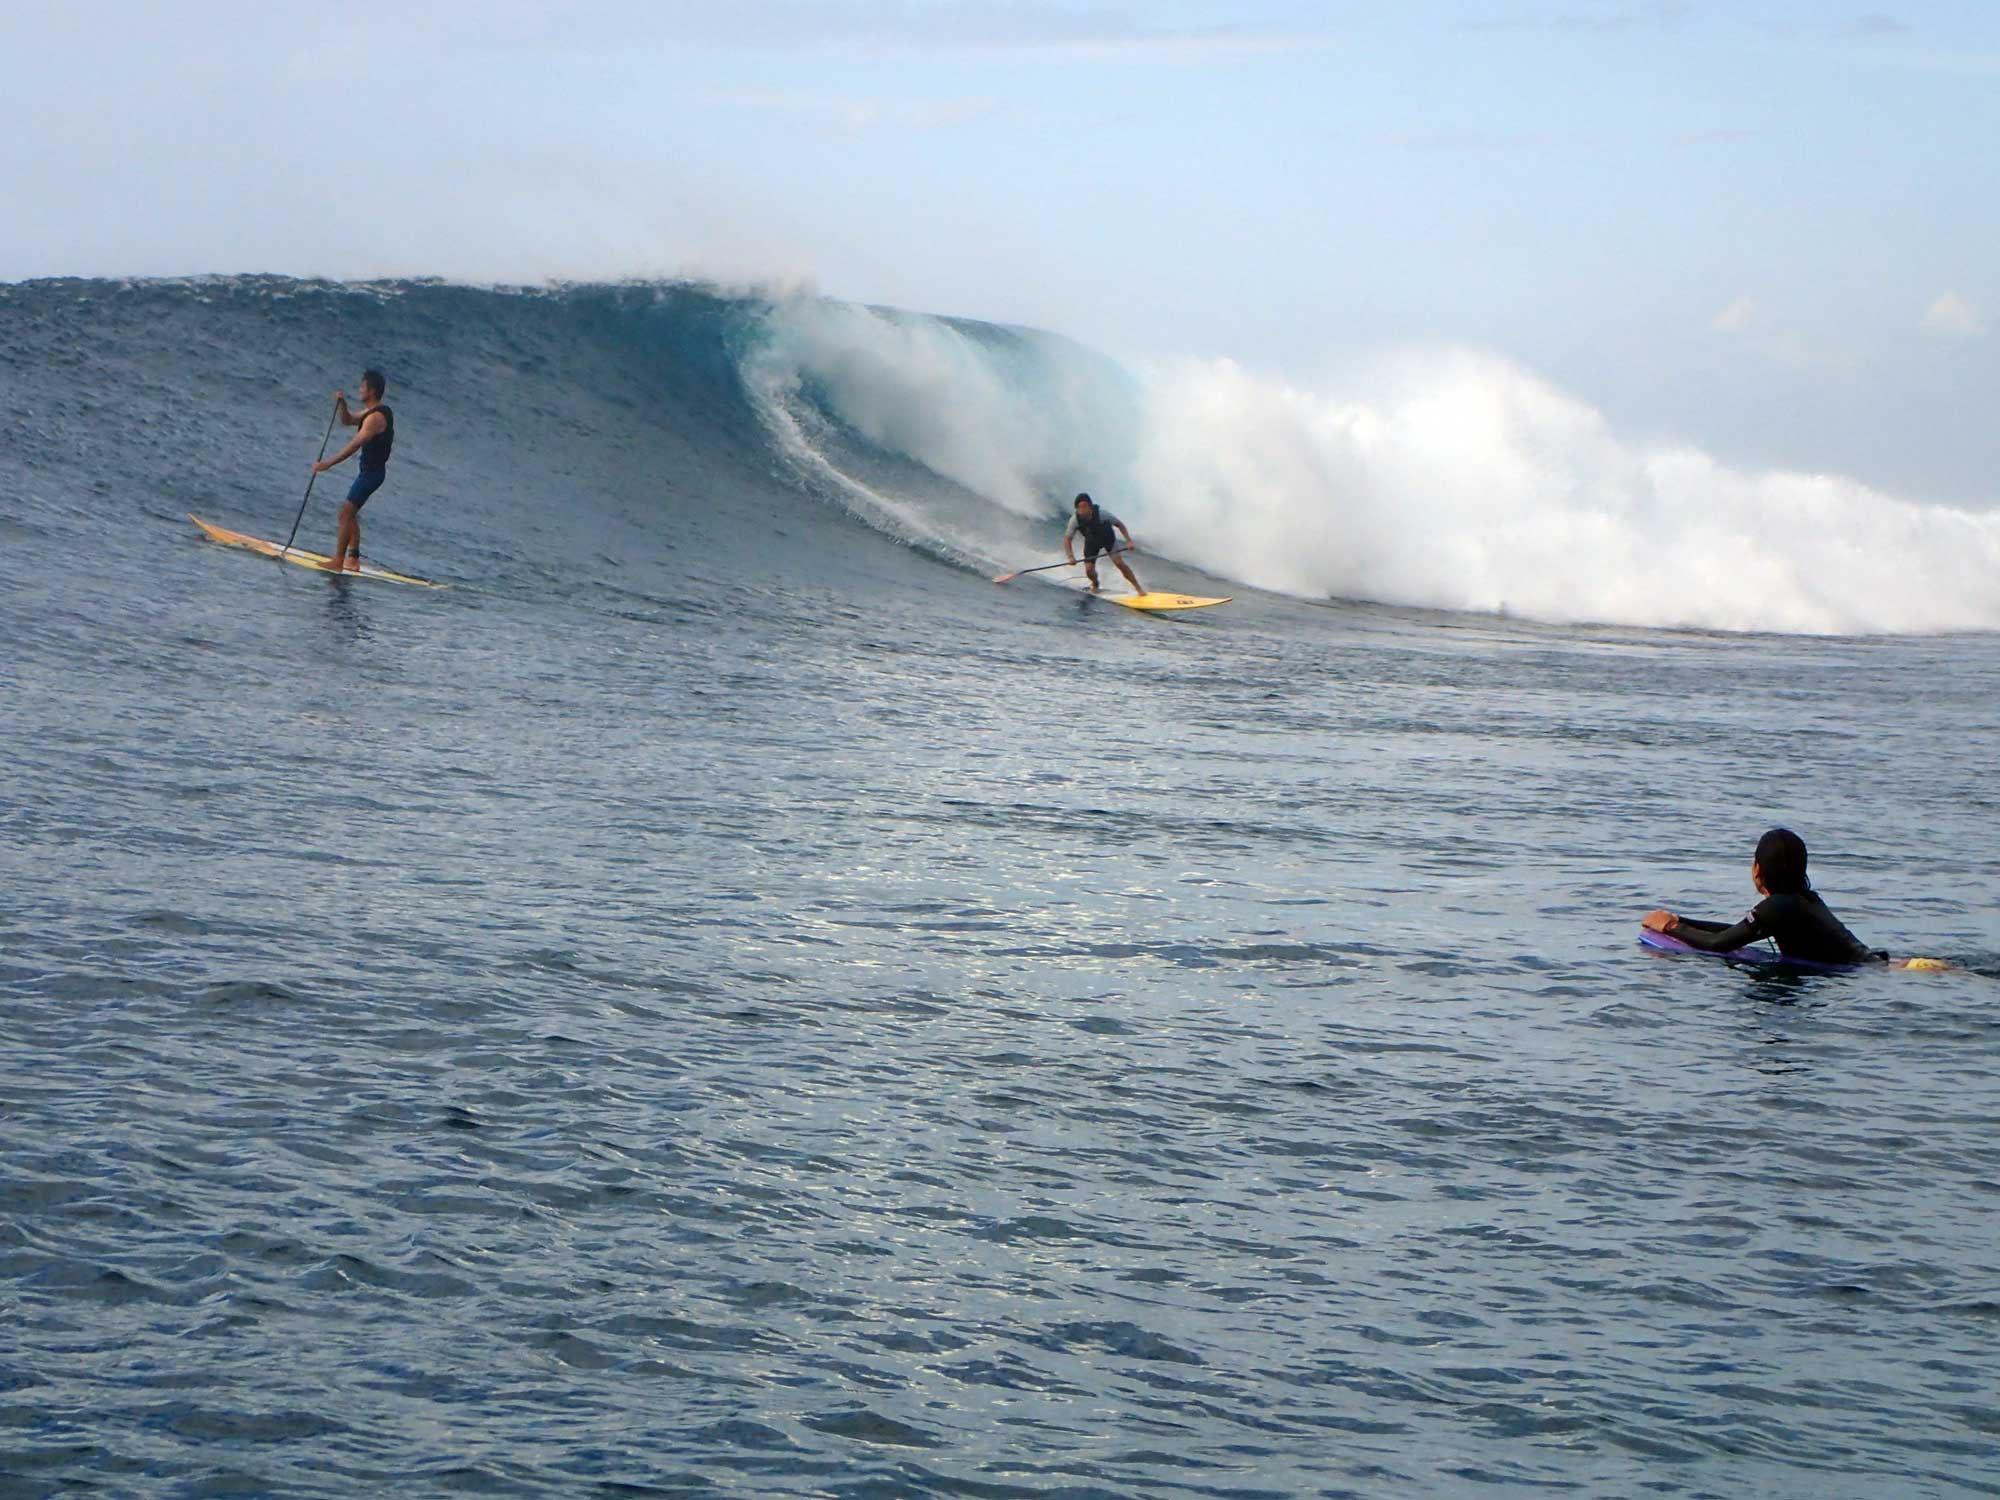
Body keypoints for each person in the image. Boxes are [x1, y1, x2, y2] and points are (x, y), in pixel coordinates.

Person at [1643, 827, 1916, 966]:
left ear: (1758, 869)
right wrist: (1681, 919)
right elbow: (1736, 932)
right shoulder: (1803, 900)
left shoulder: (1780, 907)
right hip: (1887, 965)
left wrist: (1671, 927)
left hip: (1875, 971)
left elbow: (1719, 944)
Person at [310, 369, 394, 573]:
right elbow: (347, 420)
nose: (359, 390)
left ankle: (338, 561)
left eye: (362, 387)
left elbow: (355, 444)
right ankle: (353, 559)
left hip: (372, 475)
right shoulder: (371, 413)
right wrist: (343, 405)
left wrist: (328, 463)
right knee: (350, 513)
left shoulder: (376, 418)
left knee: (345, 512)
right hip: (368, 472)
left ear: (371, 391)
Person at [1063, 493, 1143, 595]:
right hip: (1091, 542)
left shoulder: (1102, 514)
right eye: (1080, 507)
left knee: (1119, 563)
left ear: (1090, 506)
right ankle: (1095, 584)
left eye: (1085, 506)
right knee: (1089, 570)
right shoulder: (1075, 520)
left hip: (1107, 539)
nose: (1083, 510)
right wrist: (1070, 557)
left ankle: (1138, 588)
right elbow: (1067, 539)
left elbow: (1119, 524)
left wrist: (1128, 541)